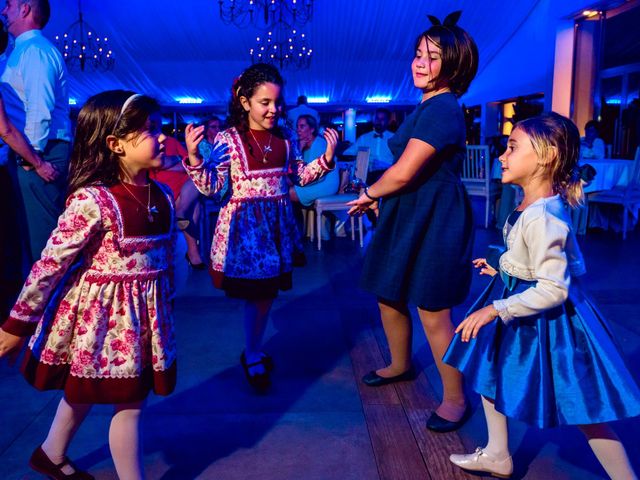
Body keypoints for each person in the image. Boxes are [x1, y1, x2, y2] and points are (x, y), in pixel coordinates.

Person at [444, 113, 640, 479]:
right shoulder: (529, 208)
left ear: (546, 156)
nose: (502, 156)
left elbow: (553, 287)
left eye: (513, 147)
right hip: (519, 301)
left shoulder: (544, 218)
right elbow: (529, 262)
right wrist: (500, 268)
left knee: (585, 408)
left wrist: (493, 309)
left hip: (550, 322)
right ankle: (498, 454)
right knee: (488, 372)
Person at [0, 90, 178, 480]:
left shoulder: (163, 195)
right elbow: (50, 264)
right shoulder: (93, 201)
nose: (162, 136)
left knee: (90, 392)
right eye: (149, 130)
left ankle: (51, 452)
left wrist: (165, 305)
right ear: (114, 144)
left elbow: (165, 259)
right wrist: (16, 324)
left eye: (159, 127)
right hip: (98, 323)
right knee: (128, 404)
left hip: (143, 322)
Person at [347, 11, 478, 433]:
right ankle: (400, 364)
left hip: (435, 215)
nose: (420, 63)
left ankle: (456, 399)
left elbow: (405, 171)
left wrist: (368, 194)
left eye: (433, 57)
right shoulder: (428, 103)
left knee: (434, 311)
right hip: (408, 210)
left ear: (454, 65)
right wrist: (382, 199)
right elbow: (404, 175)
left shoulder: (444, 107)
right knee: (388, 293)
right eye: (418, 54)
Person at [184, 63, 338, 392]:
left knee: (265, 296)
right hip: (245, 233)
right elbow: (212, 187)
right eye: (264, 102)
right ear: (244, 102)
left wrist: (326, 157)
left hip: (277, 228)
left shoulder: (285, 137)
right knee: (257, 297)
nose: (273, 110)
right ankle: (252, 352)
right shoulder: (228, 138)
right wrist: (195, 158)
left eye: (277, 103)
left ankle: (253, 349)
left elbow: (300, 176)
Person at [1, 0, 72, 264]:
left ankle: (51, 303)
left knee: (41, 241)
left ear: (26, 9)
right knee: (27, 237)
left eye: (9, 4)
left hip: (41, 150)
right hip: (28, 151)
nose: (3, 10)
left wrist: (33, 158)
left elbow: (40, 110)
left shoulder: (35, 51)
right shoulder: (19, 51)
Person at [148, 114, 206, 268]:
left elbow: (190, 165)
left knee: (194, 184)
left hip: (185, 182)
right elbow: (155, 166)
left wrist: (170, 163)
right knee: (194, 209)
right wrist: (175, 161)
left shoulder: (171, 141)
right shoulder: (145, 143)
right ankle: (194, 253)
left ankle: (193, 253)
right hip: (163, 189)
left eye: (158, 123)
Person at [343, 107, 395, 184]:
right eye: (377, 118)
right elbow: (347, 153)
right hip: (369, 174)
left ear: (388, 121)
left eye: (382, 119)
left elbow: (402, 158)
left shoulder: (394, 138)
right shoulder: (364, 138)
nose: (379, 121)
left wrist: (388, 166)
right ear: (373, 119)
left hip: (390, 173)